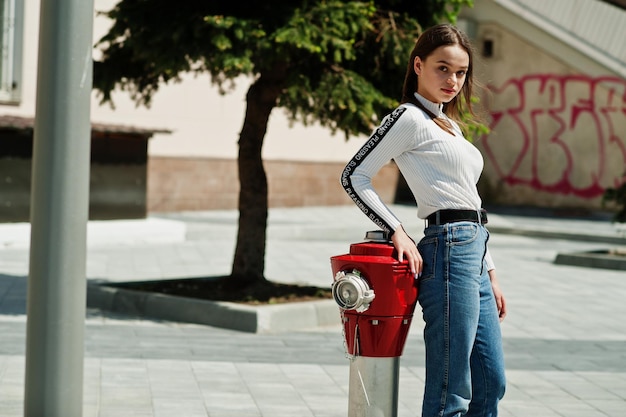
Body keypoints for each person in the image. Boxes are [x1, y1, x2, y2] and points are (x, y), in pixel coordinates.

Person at [340, 23, 507, 416]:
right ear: (418, 65)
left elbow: (470, 197)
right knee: (452, 388)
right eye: (442, 68)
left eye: (461, 72)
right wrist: (395, 229)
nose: (452, 80)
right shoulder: (409, 117)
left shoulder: (450, 125)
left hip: (474, 251)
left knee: (490, 382)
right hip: (448, 248)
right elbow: (354, 175)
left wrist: (491, 270)